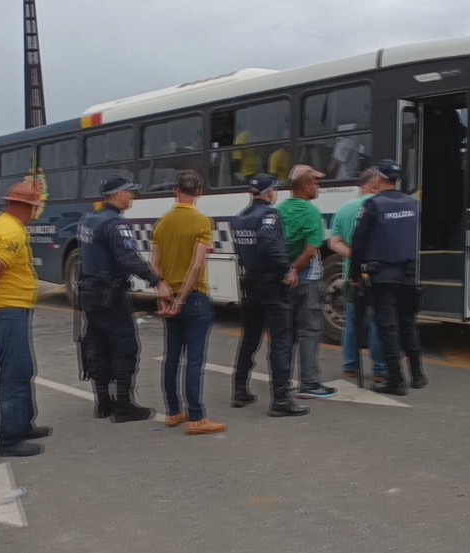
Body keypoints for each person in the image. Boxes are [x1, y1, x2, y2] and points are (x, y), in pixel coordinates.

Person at [77, 176, 172, 422]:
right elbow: (128, 258)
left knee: (98, 345)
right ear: (118, 195)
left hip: (89, 291)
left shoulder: (89, 219)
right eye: (129, 192)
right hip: (110, 293)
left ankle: (103, 402)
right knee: (125, 345)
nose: (132, 197)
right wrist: (157, 281)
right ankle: (124, 405)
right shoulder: (116, 224)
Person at [0, 181, 51, 457]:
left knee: (22, 369)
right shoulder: (11, 233)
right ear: (27, 207)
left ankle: (23, 423)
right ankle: (11, 438)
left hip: (6, 309)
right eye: (35, 207)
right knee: (15, 373)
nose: (35, 212)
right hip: (4, 310)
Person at [151, 170, 226, 435]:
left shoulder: (162, 223)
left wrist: (164, 295)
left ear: (176, 192)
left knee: (172, 355)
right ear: (200, 193)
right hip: (193, 299)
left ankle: (173, 411)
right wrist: (182, 299)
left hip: (168, 295)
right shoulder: (202, 222)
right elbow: (196, 266)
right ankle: (197, 417)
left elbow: (155, 263)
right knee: (194, 358)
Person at [230, 174, 308, 417]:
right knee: (282, 341)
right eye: (274, 189)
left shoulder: (240, 217)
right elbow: (266, 242)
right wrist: (287, 269)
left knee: (250, 338)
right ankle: (282, 398)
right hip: (272, 285)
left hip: (250, 282)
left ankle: (240, 390)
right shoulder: (269, 215)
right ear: (268, 192)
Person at [350, 160, 425, 396]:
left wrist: (354, 274)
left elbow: (359, 243)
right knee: (408, 325)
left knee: (387, 328)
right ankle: (418, 374)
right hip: (408, 274)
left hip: (382, 276)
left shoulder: (372, 205)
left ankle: (396, 380)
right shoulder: (413, 203)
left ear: (378, 179)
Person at [277, 165, 336, 399]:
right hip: (307, 280)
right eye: (315, 183)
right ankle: (310, 383)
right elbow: (311, 251)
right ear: (304, 186)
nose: (318, 187)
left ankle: (282, 381)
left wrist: (285, 271)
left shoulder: (279, 210)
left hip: (284, 281)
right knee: (310, 331)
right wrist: (294, 270)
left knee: (286, 333)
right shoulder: (311, 212)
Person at [329, 169, 388, 384]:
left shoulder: (345, 208)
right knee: (377, 321)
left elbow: (334, 242)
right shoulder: (380, 207)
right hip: (377, 274)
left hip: (350, 274)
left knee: (353, 320)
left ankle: (350, 366)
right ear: (374, 184)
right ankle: (380, 369)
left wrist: (356, 256)